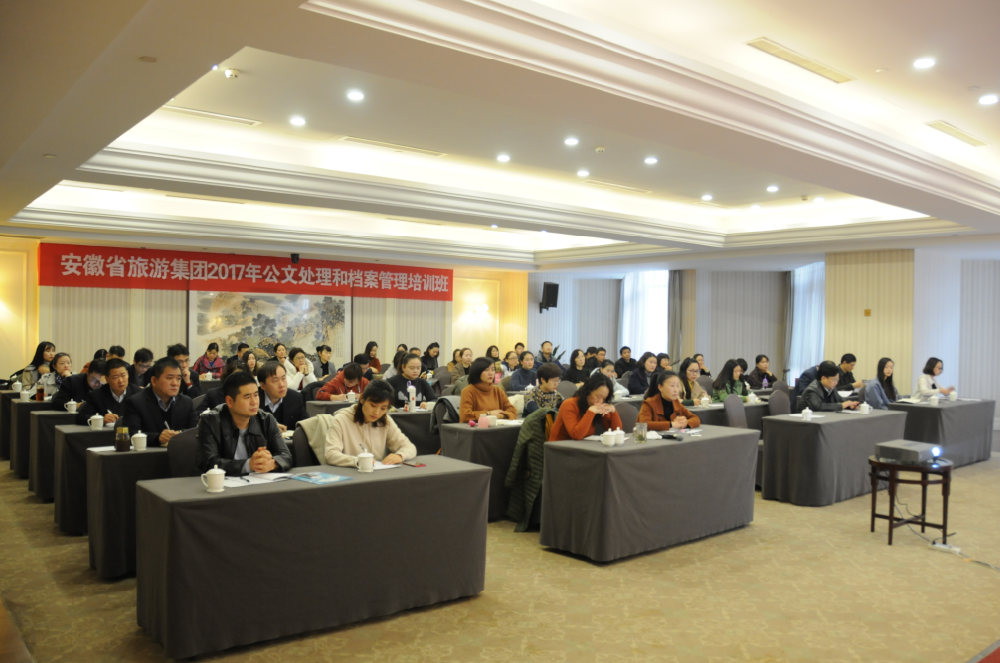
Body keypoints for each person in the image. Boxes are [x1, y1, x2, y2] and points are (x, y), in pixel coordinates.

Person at [197, 371, 293, 477]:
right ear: (230, 401)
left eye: (256, 395)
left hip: (259, 482)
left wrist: (272, 464)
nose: (254, 402)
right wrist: (248, 465)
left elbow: (285, 455)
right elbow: (209, 463)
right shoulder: (210, 421)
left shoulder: (266, 420)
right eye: (247, 397)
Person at [323, 380, 417, 467]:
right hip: (350, 473)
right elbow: (330, 454)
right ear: (362, 399)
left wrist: (400, 456)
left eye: (383, 408)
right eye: (373, 405)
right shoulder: (341, 419)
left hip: (377, 473)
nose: (377, 412)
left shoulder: (385, 420)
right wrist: (357, 461)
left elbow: (410, 447)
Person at [121, 357, 198, 446]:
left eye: (178, 378)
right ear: (154, 381)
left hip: (180, 452)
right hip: (150, 453)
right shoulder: (136, 402)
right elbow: (131, 434)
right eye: (169, 378)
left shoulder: (186, 402)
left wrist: (180, 434)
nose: (175, 383)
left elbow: (196, 431)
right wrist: (157, 438)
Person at [548, 373, 623, 441]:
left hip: (583, 446)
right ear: (588, 391)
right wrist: (590, 412)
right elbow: (576, 435)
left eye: (604, 398)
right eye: (598, 396)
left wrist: (613, 411)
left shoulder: (598, 405)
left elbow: (616, 432)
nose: (600, 401)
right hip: (560, 447)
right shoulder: (569, 404)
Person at [77, 358, 140, 426]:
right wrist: (101, 419)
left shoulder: (138, 394)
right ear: (107, 379)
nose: (121, 381)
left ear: (128, 374)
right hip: (106, 432)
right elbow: (81, 417)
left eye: (123, 375)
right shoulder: (96, 395)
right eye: (115, 377)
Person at [459, 358, 517, 423]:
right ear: (477, 372)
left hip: (497, 427)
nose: (491, 373)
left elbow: (512, 411)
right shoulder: (468, 391)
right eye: (486, 370)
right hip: (477, 428)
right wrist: (489, 414)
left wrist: (501, 416)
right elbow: (465, 415)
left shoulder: (498, 390)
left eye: (493, 370)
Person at [256, 360, 306, 432]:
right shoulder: (254, 401)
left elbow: (306, 423)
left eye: (283, 378)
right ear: (263, 386)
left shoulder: (295, 397)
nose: (282, 385)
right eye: (275, 380)